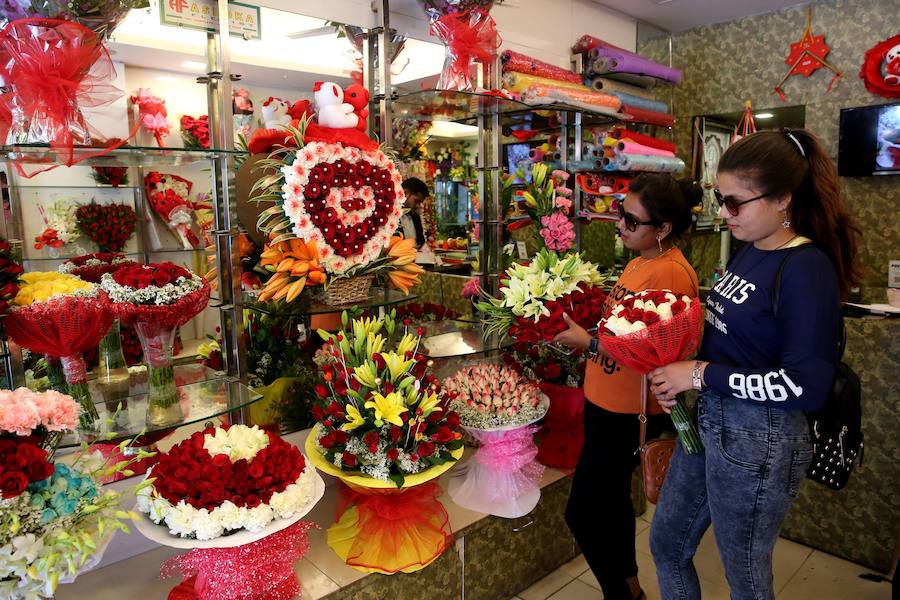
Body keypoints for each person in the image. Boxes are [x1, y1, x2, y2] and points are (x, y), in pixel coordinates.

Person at [648, 129, 861, 600]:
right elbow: (736, 338)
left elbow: (805, 386)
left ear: (783, 198)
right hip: (713, 418)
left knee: (744, 574)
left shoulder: (806, 268)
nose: (723, 213)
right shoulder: (750, 248)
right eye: (719, 199)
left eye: (735, 203)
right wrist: (679, 364)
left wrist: (699, 374)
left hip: (760, 437)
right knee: (666, 543)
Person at [553, 173, 702, 600]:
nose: (620, 225)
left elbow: (657, 352)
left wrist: (589, 341)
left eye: (631, 220)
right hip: (605, 403)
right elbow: (626, 330)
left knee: (582, 513)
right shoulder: (640, 260)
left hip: (627, 415)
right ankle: (629, 587)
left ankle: (624, 595)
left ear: (664, 228)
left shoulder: (671, 273)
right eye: (621, 213)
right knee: (611, 506)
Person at [400, 177, 437, 265]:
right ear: (405, 193)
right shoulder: (391, 217)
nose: (418, 206)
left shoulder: (415, 216)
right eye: (416, 201)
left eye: (420, 203)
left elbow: (420, 242)